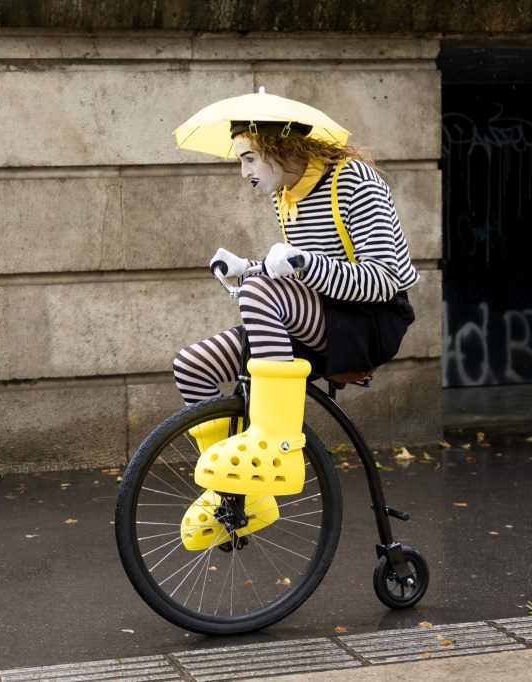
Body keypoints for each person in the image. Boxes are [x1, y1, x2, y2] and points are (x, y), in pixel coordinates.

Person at [172, 121, 418, 474]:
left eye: (249, 159)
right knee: (192, 366)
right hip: (313, 318)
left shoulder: (354, 180)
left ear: (280, 148)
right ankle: (230, 479)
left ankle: (274, 444)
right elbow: (297, 274)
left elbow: (383, 280)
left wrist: (302, 263)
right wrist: (248, 267)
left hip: (369, 322)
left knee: (258, 290)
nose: (244, 172)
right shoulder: (284, 195)